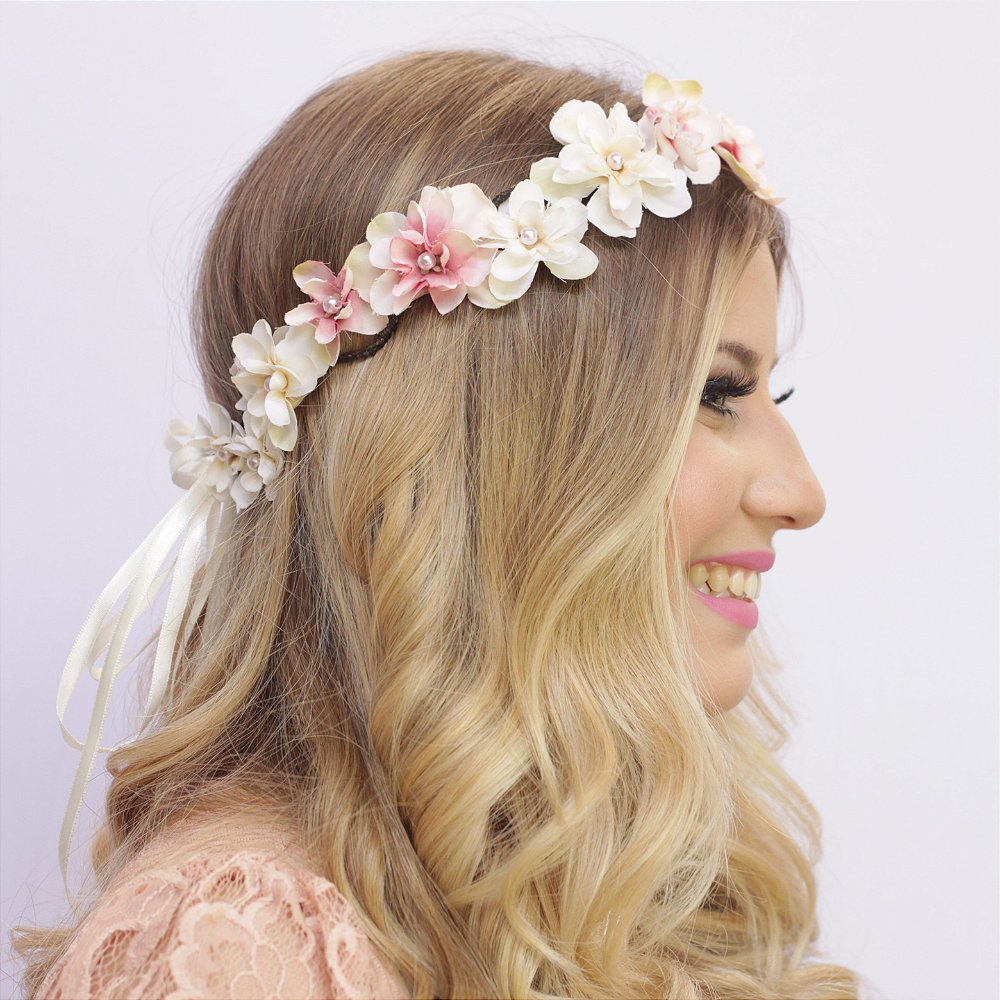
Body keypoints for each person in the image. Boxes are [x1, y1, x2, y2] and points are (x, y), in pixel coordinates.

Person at [11, 46, 862, 999]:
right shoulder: (241, 948)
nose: (802, 493)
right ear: (481, 442)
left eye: (770, 393)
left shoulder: (576, 877)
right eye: (715, 393)